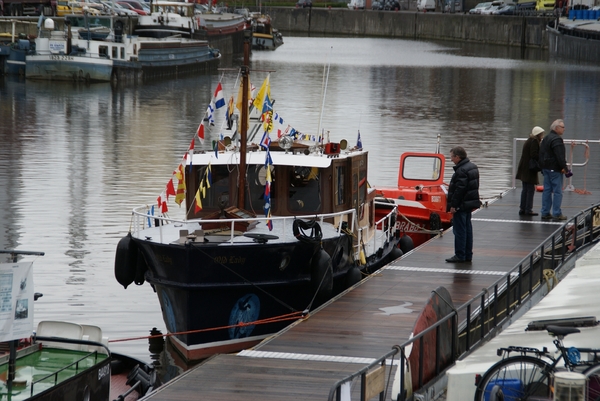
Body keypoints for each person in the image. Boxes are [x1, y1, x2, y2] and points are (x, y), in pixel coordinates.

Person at [446, 147, 480, 263]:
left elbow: (459, 190)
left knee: (459, 230)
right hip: (469, 204)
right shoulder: (472, 167)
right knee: (467, 229)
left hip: (461, 205)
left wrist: (454, 205)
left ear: (458, 157)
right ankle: (467, 254)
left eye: (452, 157)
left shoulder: (461, 170)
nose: (451, 159)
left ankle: (460, 255)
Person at [539, 119, 568, 221]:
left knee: (546, 190)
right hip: (555, 169)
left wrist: (542, 167)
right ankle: (557, 213)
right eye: (562, 127)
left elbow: (541, 154)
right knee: (557, 191)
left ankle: (545, 212)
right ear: (557, 128)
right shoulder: (557, 140)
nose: (564, 129)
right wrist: (565, 168)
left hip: (546, 168)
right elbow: (560, 156)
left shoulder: (546, 138)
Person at [515, 126, 544, 216]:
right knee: (530, 189)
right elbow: (534, 154)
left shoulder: (529, 140)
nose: (542, 135)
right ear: (538, 134)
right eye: (542, 134)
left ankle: (522, 208)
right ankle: (528, 209)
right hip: (529, 170)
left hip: (524, 168)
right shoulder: (534, 142)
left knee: (525, 189)